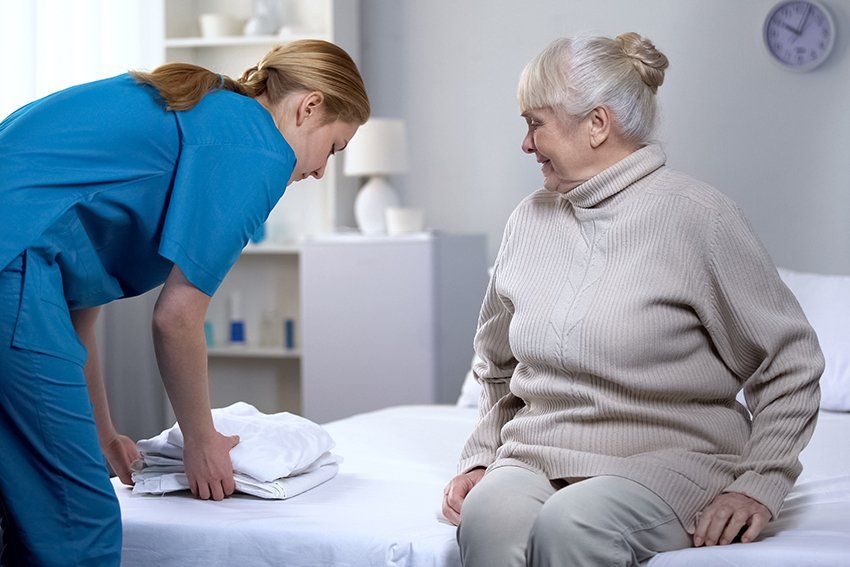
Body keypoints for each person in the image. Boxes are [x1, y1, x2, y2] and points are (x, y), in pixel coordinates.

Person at [441, 32, 823, 566]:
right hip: (534, 454)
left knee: (571, 523)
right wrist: (482, 456)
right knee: (486, 518)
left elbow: (790, 362)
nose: (526, 144)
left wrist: (761, 482)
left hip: (669, 459)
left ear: (598, 124)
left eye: (535, 123)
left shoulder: (699, 217)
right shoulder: (529, 219)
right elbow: (497, 363)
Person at [0, 39, 369, 566]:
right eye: (333, 148)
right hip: (12, 263)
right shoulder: (258, 145)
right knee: (80, 528)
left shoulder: (207, 111)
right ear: (309, 108)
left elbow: (75, 306)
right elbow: (176, 317)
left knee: (30, 512)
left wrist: (103, 433)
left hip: (20, 265)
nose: (318, 172)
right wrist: (202, 441)